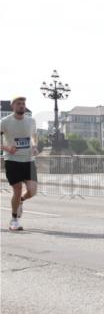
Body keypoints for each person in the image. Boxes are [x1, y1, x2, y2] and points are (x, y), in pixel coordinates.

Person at [1, 96, 38, 231]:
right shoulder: (4, 122)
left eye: (23, 103)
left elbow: (34, 136)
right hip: (12, 160)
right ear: (13, 106)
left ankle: (21, 200)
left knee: (32, 191)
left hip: (29, 160)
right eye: (19, 103)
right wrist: (7, 148)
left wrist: (34, 146)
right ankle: (14, 219)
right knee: (17, 189)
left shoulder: (31, 121)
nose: (22, 106)